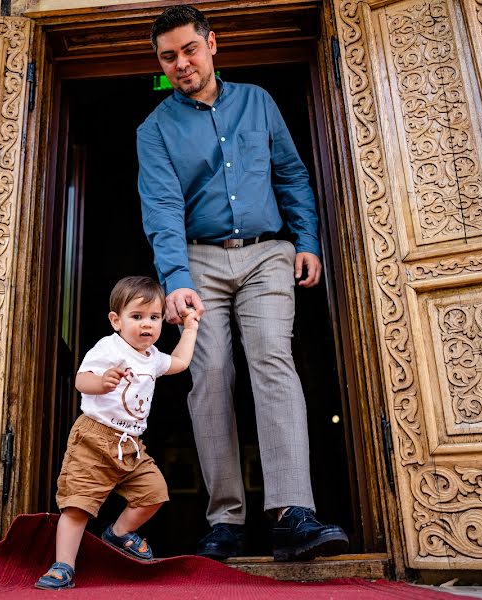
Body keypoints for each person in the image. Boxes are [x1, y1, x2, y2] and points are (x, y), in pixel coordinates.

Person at [137, 4, 349, 562]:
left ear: (212, 44)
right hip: (198, 261)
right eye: (168, 57)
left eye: (189, 49)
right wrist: (175, 280)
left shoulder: (258, 102)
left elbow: (291, 175)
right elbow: (160, 207)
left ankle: (292, 513)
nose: (181, 63)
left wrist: (307, 241)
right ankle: (225, 520)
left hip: (266, 255)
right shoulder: (154, 129)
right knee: (208, 374)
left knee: (272, 361)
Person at [35, 276, 199, 590]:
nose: (146, 325)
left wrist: (190, 329)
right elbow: (82, 381)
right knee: (78, 503)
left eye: (154, 317)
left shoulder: (152, 358)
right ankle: (63, 566)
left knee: (154, 494)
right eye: (137, 317)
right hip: (94, 438)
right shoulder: (109, 348)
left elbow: (179, 362)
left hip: (131, 445)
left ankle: (120, 533)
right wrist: (103, 382)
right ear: (116, 320)